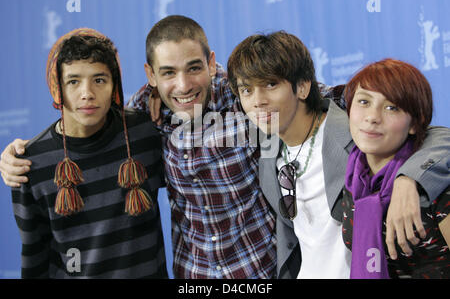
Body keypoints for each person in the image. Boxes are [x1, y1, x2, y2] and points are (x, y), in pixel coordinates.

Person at [0, 15, 440, 278]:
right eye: (168, 73)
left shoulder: (250, 94)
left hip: (260, 269)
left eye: (194, 68)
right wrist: (22, 156)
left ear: (211, 64)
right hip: (193, 275)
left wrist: (408, 176)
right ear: (150, 76)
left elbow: (382, 117)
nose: (184, 84)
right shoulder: (138, 118)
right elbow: (81, 120)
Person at [226, 31, 450, 278]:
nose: (258, 101)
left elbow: (429, 134)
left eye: (271, 84)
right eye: (246, 90)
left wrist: (409, 179)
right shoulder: (267, 153)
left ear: (302, 86)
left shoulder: (356, 131)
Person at [10, 28, 167, 278]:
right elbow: (34, 256)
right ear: (57, 87)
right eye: (73, 81)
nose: (87, 93)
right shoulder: (30, 164)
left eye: (99, 80)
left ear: (114, 84)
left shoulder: (145, 132)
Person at [341, 58, 450, 279]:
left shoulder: (436, 187)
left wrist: (408, 179)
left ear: (415, 124)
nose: (372, 117)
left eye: (392, 107)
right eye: (363, 102)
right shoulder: (354, 179)